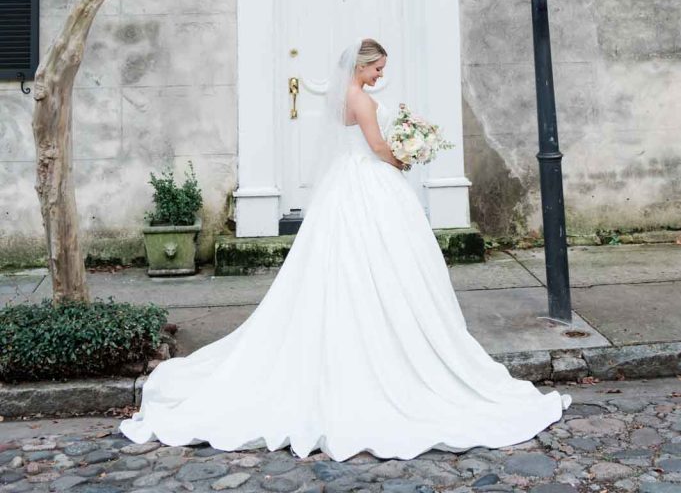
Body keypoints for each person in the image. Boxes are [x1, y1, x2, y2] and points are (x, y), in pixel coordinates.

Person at [120, 37, 570, 461]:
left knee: (348, 267)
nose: (379, 75)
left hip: (349, 184)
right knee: (379, 264)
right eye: (376, 68)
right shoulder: (359, 98)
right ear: (360, 66)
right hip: (370, 184)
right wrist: (406, 156)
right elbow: (377, 147)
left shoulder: (344, 98)